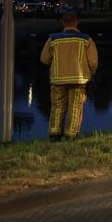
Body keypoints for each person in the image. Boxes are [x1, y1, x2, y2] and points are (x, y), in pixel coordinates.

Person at [40, 12, 98, 141]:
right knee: (75, 107)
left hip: (58, 79)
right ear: (76, 22)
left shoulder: (53, 39)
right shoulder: (86, 40)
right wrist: (91, 73)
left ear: (63, 23)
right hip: (79, 79)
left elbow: (44, 59)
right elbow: (93, 62)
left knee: (57, 106)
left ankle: (54, 134)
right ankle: (71, 135)